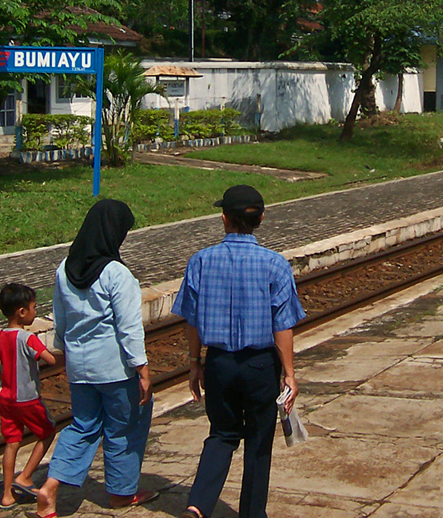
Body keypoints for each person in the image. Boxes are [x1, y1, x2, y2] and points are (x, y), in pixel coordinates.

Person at [172, 185, 306, 518]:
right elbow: (282, 326)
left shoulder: (201, 262)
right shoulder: (275, 265)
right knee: (259, 442)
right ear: (261, 218)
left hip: (219, 363)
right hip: (260, 366)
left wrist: (194, 364)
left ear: (224, 219)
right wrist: (289, 373)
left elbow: (192, 321)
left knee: (221, 434)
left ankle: (198, 505)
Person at [32, 199, 157, 518]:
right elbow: (129, 328)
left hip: (80, 367)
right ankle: (121, 493)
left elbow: (60, 318)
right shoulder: (117, 274)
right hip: (115, 369)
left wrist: (63, 352)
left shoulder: (64, 269)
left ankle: (50, 487)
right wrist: (141, 368)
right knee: (125, 428)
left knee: (82, 426)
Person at [0, 283, 57, 508]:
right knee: (48, 431)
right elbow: (50, 359)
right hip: (27, 399)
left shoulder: (1, 336)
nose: (35, 311)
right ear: (22, 312)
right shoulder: (27, 338)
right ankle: (26, 475)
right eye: (33, 307)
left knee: (11, 443)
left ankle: (6, 494)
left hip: (6, 398)